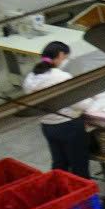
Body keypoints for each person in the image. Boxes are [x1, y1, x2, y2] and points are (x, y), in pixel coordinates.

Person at [24, 41, 90, 177]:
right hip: (69, 126)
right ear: (60, 55)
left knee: (59, 162)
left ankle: (60, 187)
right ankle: (83, 190)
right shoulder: (60, 77)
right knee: (79, 163)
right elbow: (78, 103)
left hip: (47, 126)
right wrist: (93, 101)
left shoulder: (30, 78)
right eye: (66, 57)